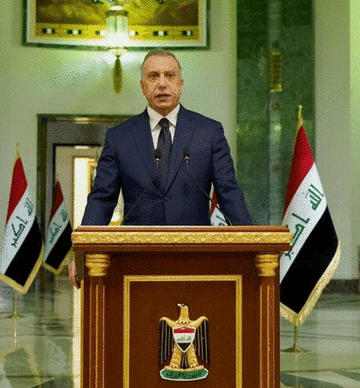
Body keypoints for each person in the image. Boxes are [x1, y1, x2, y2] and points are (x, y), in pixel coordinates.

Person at [69, 50, 252, 285]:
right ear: (142, 86)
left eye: (170, 75)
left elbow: (229, 193)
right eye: (153, 76)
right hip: (135, 260)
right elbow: (102, 199)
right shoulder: (120, 137)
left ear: (181, 84)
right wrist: (82, 252)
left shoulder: (209, 132)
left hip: (196, 256)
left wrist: (252, 245)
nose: (162, 84)